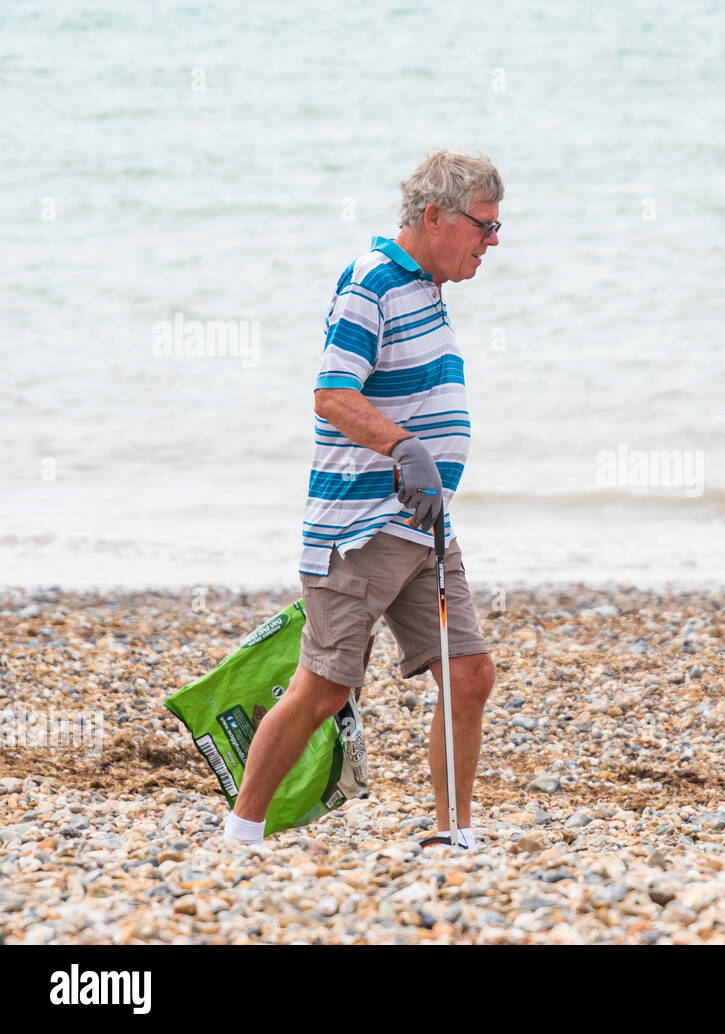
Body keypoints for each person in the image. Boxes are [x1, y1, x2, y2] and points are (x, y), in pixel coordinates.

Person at [223, 150, 503, 850]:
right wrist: (405, 448)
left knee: (469, 674)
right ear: (434, 216)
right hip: (358, 529)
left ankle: (453, 834)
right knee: (324, 688)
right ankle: (243, 831)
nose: (493, 241)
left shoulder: (428, 288)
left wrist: (426, 466)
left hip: (422, 527)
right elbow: (332, 393)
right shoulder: (370, 283)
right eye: (484, 226)